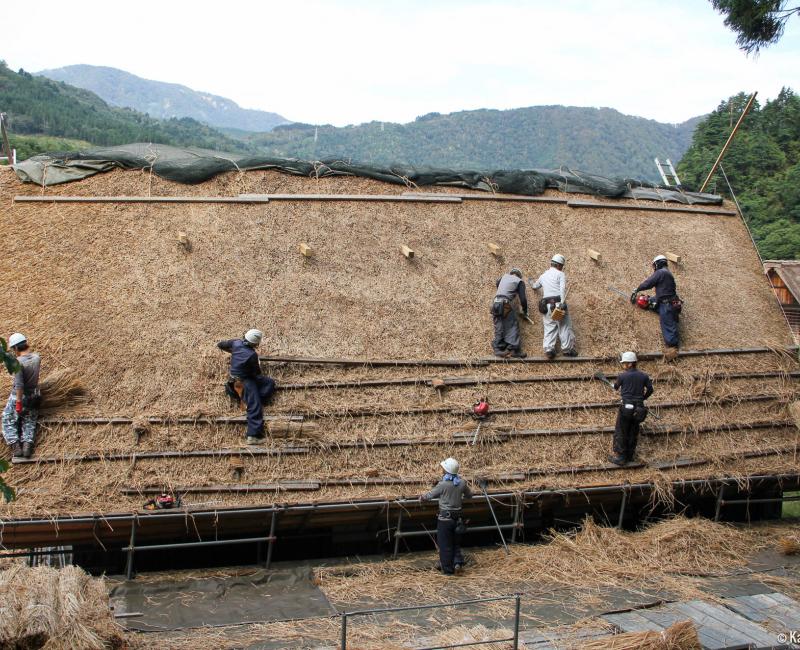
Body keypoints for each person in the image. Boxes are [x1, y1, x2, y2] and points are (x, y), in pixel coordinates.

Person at [217, 329, 276, 445]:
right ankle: (253, 436)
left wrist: (233, 352)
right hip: (245, 382)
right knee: (255, 406)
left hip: (234, 379)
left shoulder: (236, 343)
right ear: (255, 343)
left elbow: (220, 344)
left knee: (269, 382)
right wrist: (257, 363)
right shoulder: (252, 355)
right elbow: (256, 373)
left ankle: (251, 398)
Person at [420, 457, 473, 575]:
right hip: (458, 519)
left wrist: (421, 498)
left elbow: (429, 495)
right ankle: (457, 563)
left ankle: (448, 570)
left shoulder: (443, 484)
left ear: (446, 471)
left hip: (445, 519)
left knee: (445, 545)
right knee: (456, 543)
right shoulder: (462, 483)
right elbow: (470, 495)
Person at [609, 351, 653, 466]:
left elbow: (616, 387)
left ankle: (621, 457)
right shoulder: (644, 376)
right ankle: (630, 456)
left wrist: (613, 385)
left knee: (622, 431)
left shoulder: (622, 376)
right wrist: (642, 398)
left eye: (624, 363)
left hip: (626, 408)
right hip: (639, 409)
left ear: (630, 364)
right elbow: (650, 389)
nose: (623, 365)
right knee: (633, 431)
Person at [528, 254, 577, 359]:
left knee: (549, 327)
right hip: (558, 303)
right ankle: (567, 350)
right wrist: (563, 303)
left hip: (546, 306)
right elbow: (562, 289)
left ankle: (549, 350)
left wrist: (531, 281)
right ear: (559, 265)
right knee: (564, 326)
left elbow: (535, 286)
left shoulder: (543, 275)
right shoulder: (560, 274)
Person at [631, 255, 681, 357]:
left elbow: (649, 283)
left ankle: (673, 350)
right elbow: (664, 292)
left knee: (668, 326)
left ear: (658, 263)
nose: (654, 268)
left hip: (667, 305)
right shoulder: (667, 273)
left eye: (654, 265)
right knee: (647, 301)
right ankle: (651, 303)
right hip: (666, 301)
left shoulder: (661, 272)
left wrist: (637, 289)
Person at [2, 333, 41, 459]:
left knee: (7, 419)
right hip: (33, 395)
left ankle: (16, 446)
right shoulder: (36, 357)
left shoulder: (18, 363)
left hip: (20, 396)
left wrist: (18, 402)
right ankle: (27, 445)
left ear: (16, 348)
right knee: (29, 421)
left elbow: (19, 385)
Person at [492, 268, 528, 358]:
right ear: (519, 276)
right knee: (512, 325)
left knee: (499, 325)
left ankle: (498, 349)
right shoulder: (519, 281)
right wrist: (525, 310)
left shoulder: (503, 277)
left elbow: (497, 284)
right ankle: (514, 350)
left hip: (495, 303)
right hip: (505, 304)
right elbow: (523, 299)